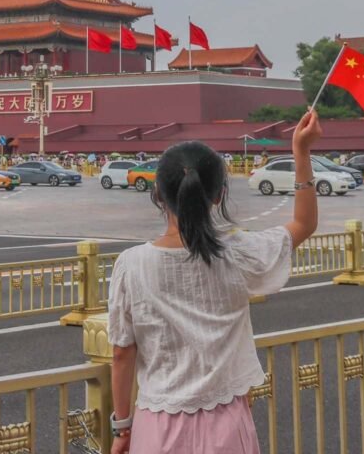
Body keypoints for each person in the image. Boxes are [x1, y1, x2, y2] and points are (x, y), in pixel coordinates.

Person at [107, 108, 322, 454]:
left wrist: (122, 428)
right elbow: (304, 223)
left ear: (158, 195)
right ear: (220, 195)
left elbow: (121, 353)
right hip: (227, 423)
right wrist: (301, 151)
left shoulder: (131, 265)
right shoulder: (237, 251)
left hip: (158, 424)